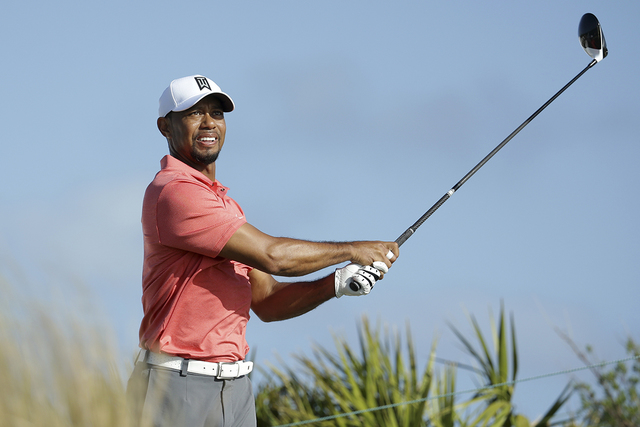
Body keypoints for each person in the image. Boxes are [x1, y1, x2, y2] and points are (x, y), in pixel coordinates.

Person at [126, 74, 399, 427]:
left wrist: (335, 283)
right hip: (177, 385)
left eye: (217, 113)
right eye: (194, 113)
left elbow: (267, 300)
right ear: (165, 126)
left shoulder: (225, 206)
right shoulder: (175, 192)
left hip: (235, 390)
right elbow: (274, 256)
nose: (209, 123)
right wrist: (352, 250)